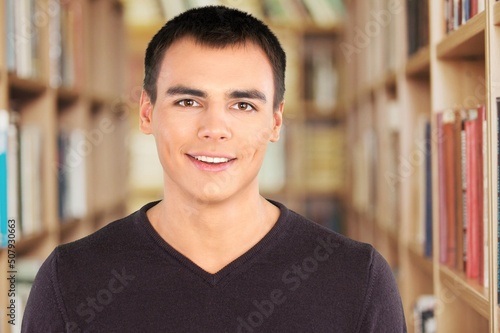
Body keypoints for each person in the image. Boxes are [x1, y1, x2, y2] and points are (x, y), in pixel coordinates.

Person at [22, 5, 407, 332]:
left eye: (243, 105)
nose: (213, 130)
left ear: (275, 122)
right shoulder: (70, 278)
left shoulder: (358, 279)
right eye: (188, 102)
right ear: (146, 112)